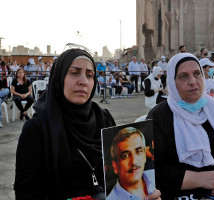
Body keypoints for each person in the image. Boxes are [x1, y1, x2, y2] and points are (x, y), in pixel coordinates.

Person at [14, 49, 161, 200]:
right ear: (59, 77)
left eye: (90, 75)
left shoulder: (103, 119)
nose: (83, 81)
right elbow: (26, 193)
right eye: (74, 72)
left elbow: (114, 181)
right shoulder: (37, 129)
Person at [147, 53, 214, 199]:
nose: (193, 82)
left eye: (197, 74)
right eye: (183, 76)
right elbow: (153, 173)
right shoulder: (159, 117)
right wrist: (201, 179)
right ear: (172, 82)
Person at [107, 127, 156, 200]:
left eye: (138, 151)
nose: (134, 162)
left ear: (145, 156)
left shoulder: (155, 175)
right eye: (125, 156)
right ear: (115, 166)